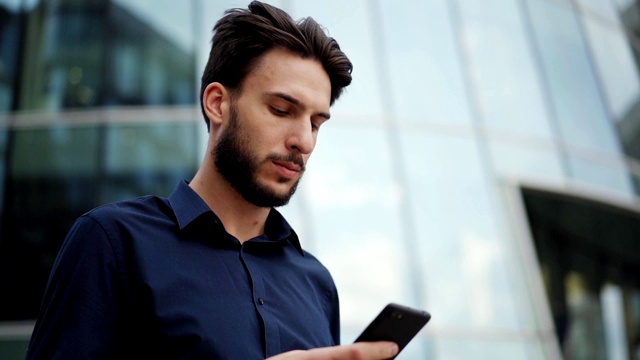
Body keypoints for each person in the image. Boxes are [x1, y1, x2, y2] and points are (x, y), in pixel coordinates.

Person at [26, 1, 399, 359]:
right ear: (218, 103)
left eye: (316, 123)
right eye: (281, 110)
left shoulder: (317, 284)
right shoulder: (112, 243)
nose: (303, 140)